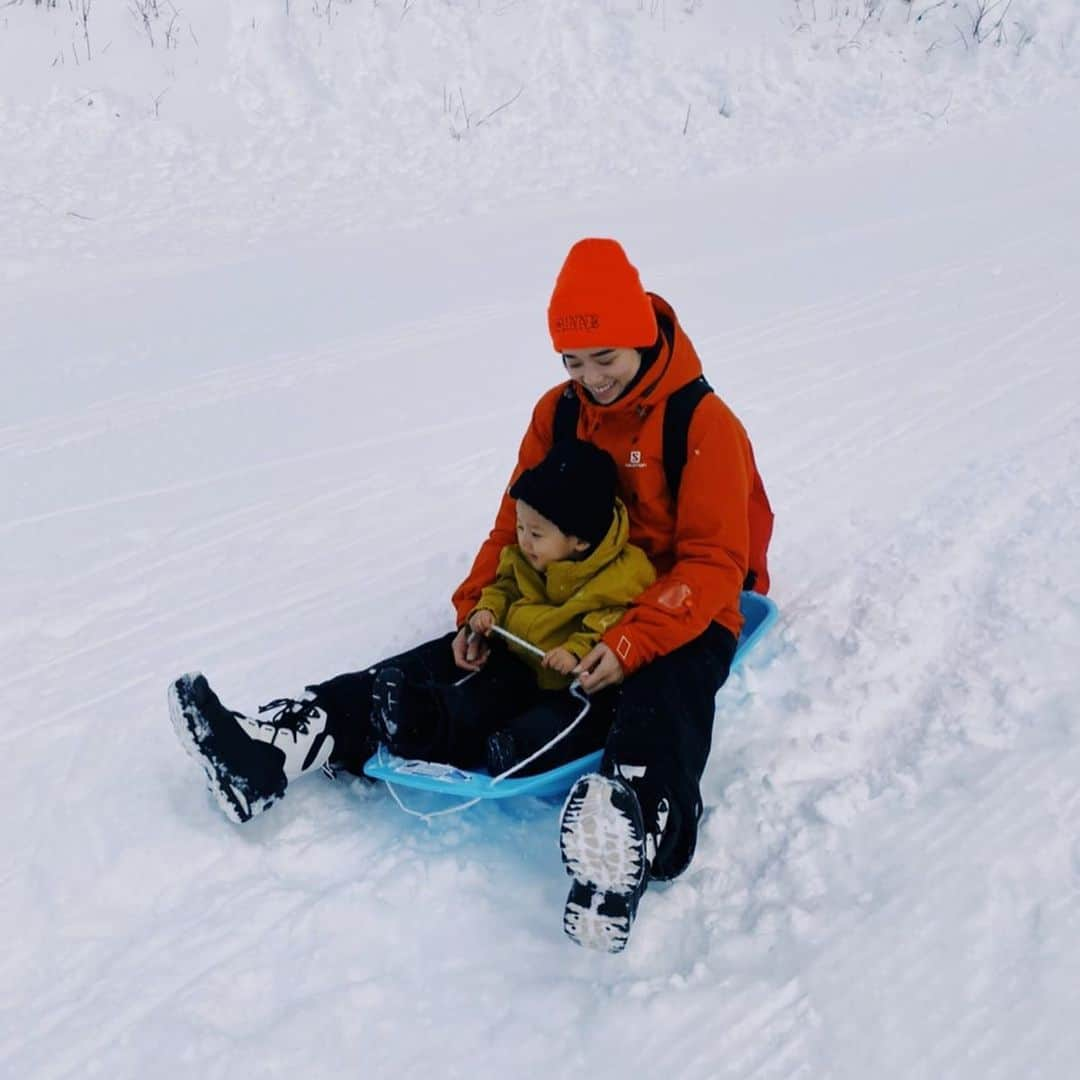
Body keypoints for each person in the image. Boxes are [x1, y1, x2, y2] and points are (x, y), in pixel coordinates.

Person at [167, 237, 772, 954]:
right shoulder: (559, 412)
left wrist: (632, 638)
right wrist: (479, 609)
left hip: (681, 600)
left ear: (643, 338)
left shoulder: (704, 425)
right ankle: (280, 744)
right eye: (574, 362)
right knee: (471, 655)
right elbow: (515, 526)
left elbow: (712, 560)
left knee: (660, 689)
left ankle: (637, 829)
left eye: (605, 359)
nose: (592, 379)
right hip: (569, 582)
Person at [366, 438, 655, 778]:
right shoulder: (526, 556)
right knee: (479, 697)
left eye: (535, 533)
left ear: (580, 539)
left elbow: (612, 619)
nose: (523, 540)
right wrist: (485, 611)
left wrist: (576, 651)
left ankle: (518, 753)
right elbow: (503, 586)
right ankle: (420, 724)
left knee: (566, 719)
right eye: (520, 527)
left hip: (574, 682)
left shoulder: (622, 574)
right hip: (520, 663)